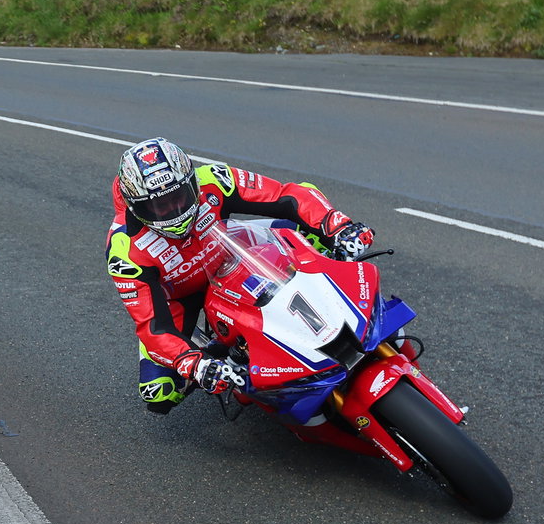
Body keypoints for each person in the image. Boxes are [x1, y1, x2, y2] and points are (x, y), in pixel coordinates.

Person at [107, 136, 374, 414]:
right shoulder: (124, 250)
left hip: (232, 253)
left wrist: (337, 225)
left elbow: (286, 194)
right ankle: (234, 366)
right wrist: (194, 363)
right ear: (134, 206)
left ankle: (339, 306)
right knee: (159, 392)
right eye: (158, 206)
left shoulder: (213, 178)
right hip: (179, 296)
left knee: (311, 235)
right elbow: (152, 327)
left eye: (179, 197)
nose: (174, 211)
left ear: (192, 181)